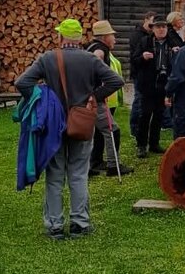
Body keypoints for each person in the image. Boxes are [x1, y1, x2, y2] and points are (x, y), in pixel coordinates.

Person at [15, 18, 123, 239]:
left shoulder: (47, 58)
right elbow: (116, 81)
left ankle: (55, 226)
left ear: (60, 37)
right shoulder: (90, 59)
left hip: (53, 125)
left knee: (55, 177)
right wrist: (94, 97)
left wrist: (41, 98)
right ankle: (80, 224)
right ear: (80, 38)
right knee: (79, 174)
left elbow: (22, 83)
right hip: (81, 122)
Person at [87, 20, 132, 177]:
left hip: (89, 95)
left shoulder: (90, 46)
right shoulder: (99, 50)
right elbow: (95, 66)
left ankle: (92, 164)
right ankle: (113, 166)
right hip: (94, 98)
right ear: (104, 36)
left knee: (93, 131)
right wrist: (99, 92)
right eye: (112, 35)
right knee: (112, 130)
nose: (115, 39)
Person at [135, 17, 171, 158]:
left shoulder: (172, 42)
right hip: (148, 84)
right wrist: (142, 57)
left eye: (164, 27)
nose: (161, 29)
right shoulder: (145, 42)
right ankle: (141, 145)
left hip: (164, 83)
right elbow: (134, 60)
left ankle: (154, 144)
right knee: (145, 115)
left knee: (159, 115)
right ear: (153, 29)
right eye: (158, 27)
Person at [128, 11, 157, 140]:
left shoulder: (152, 35)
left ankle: (144, 128)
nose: (152, 26)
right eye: (151, 23)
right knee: (139, 99)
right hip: (138, 71)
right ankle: (134, 128)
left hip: (149, 73)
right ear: (146, 20)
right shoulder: (137, 35)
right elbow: (135, 55)